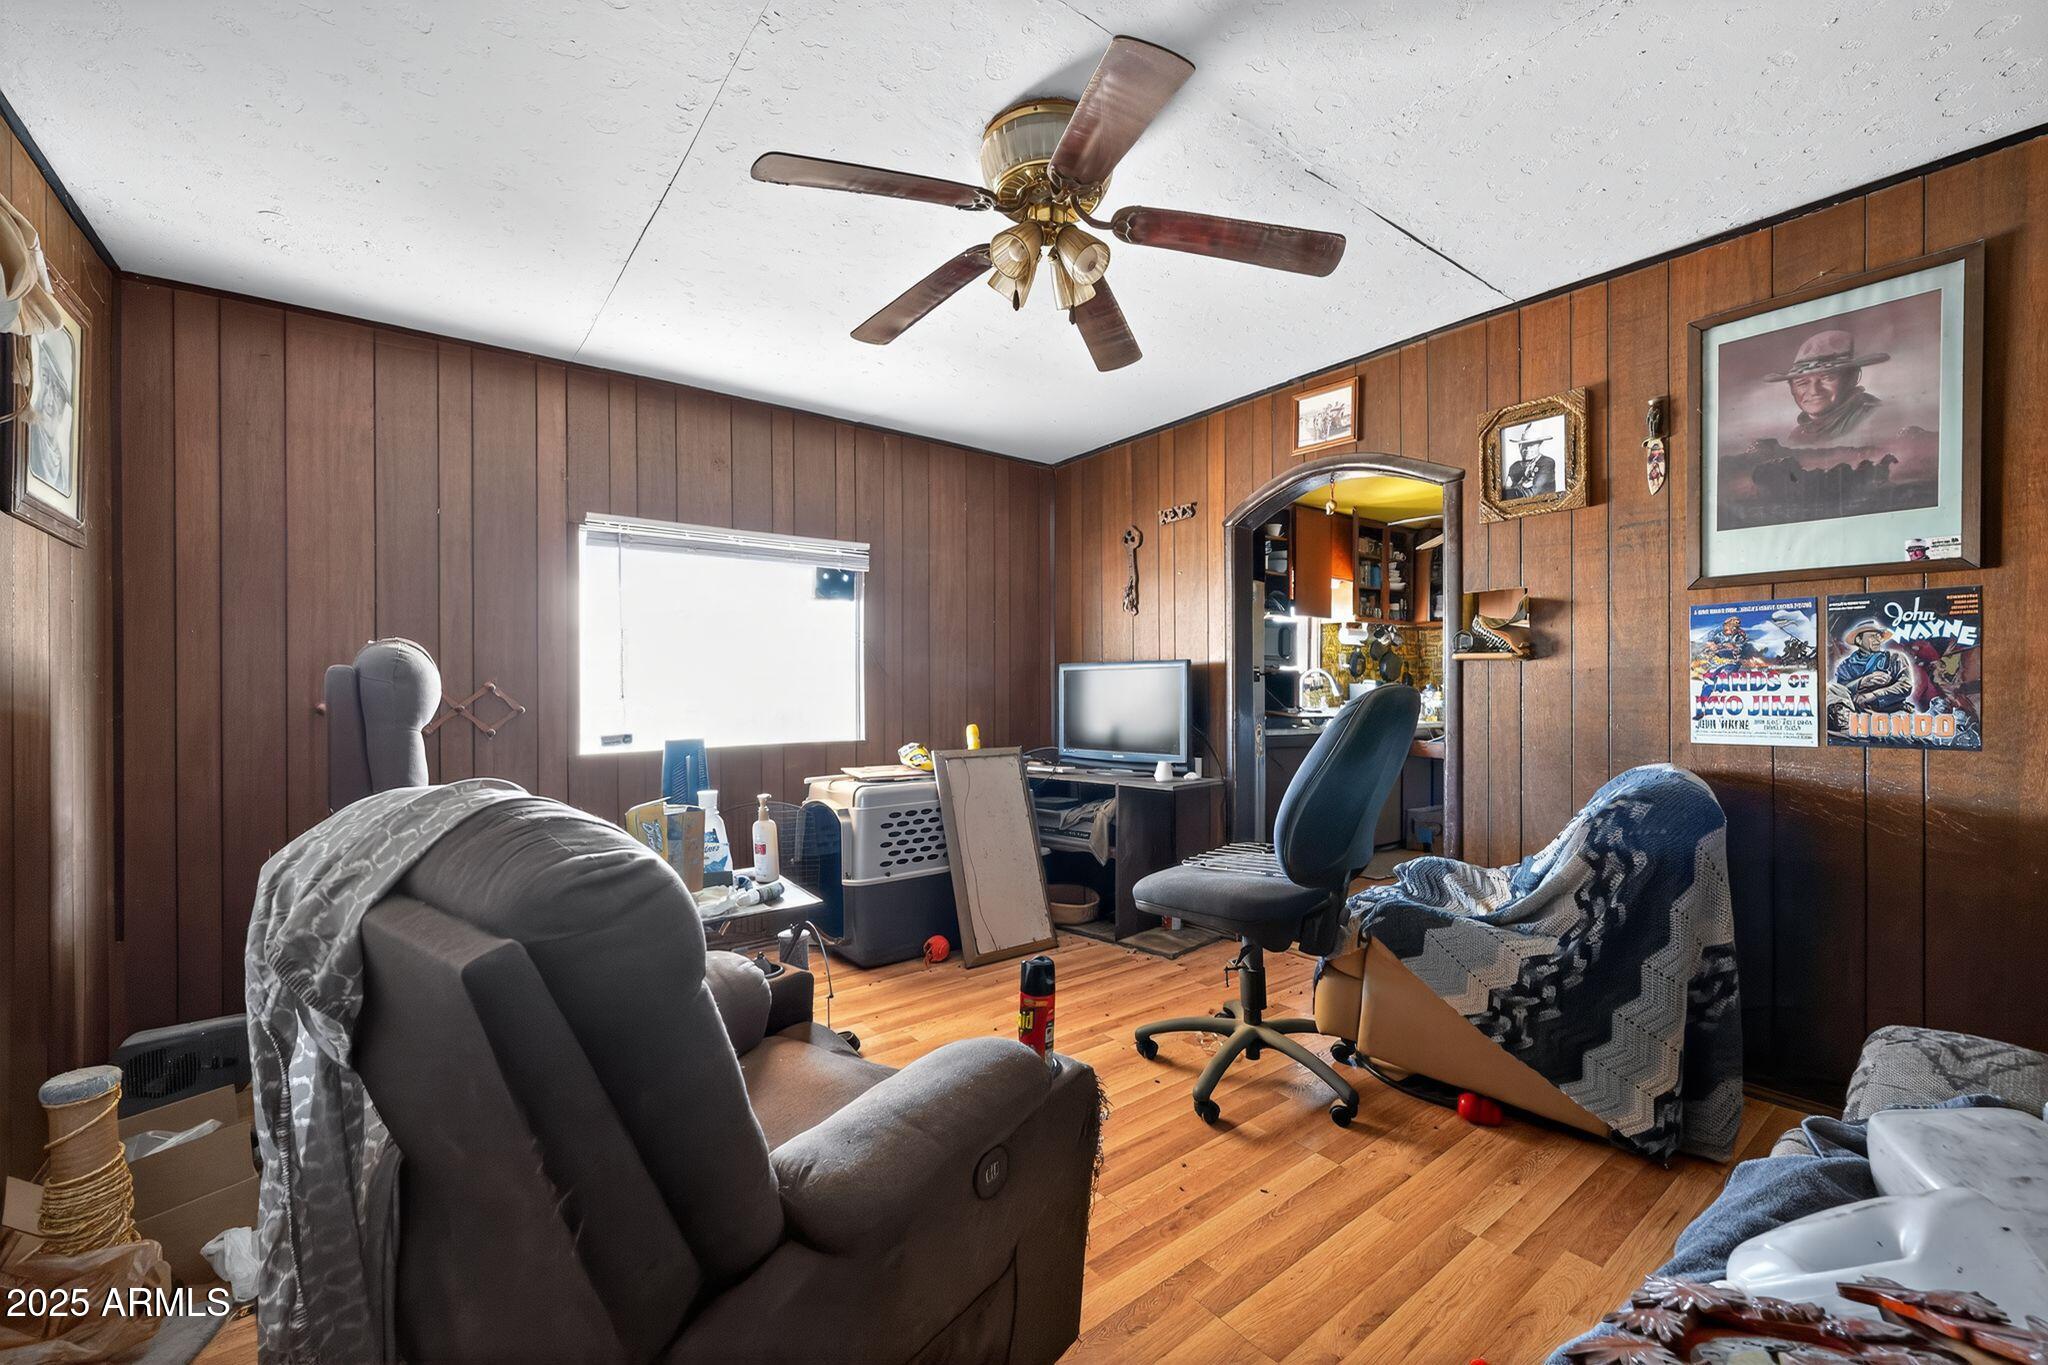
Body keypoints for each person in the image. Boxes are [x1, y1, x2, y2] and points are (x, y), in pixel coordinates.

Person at [1764, 328, 1888, 446]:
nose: (1814, 391)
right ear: (1792, 389)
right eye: (1802, 383)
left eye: (1827, 378)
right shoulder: (1798, 436)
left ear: (1852, 378)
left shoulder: (1876, 420)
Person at [1827, 618, 1912, 734]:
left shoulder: (1894, 658)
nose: (1878, 639)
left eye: (1879, 636)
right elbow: (1839, 689)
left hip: (1893, 713)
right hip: (1858, 714)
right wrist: (1862, 682)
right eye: (1872, 636)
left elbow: (1905, 685)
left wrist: (1873, 695)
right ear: (1859, 640)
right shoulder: (1846, 665)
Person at [1504, 430, 1557, 498]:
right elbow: (1504, 493)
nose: (1527, 449)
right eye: (1524, 445)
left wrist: (1514, 488)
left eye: (1531, 445)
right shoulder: (1516, 466)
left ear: (1539, 445)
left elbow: (1532, 493)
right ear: (1519, 446)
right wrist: (1523, 485)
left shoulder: (1547, 462)